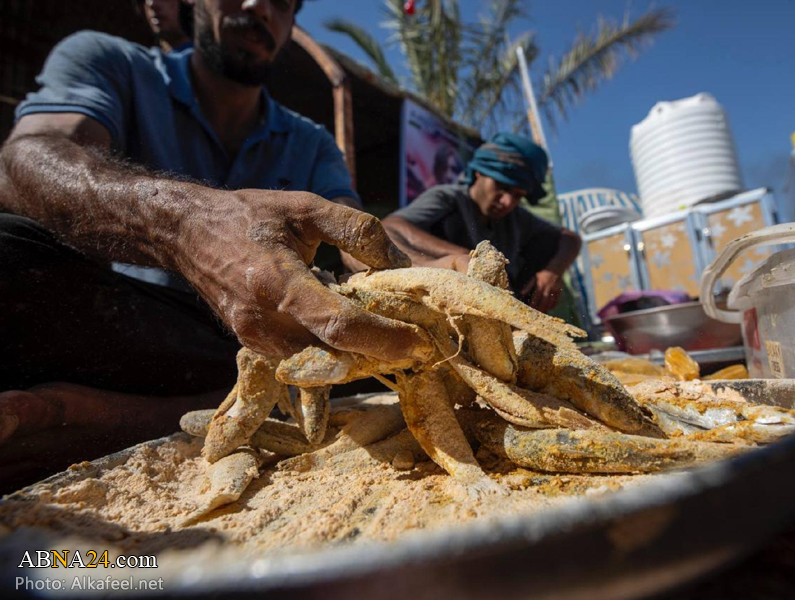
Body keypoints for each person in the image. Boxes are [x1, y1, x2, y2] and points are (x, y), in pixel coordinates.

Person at [0, 0, 428, 489]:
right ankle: (202, 411)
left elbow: (358, 235)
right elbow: (24, 162)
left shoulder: (311, 141)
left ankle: (103, 417)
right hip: (144, 329)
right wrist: (184, 226)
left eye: (282, 3)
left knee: (393, 352)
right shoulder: (111, 62)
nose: (258, 6)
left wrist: (430, 276)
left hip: (260, 337)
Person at [380, 133, 582, 314]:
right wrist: (464, 257)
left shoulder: (517, 217)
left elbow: (570, 239)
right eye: (501, 187)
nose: (507, 202)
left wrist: (552, 272)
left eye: (517, 196)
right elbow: (393, 225)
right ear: (479, 173)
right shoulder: (447, 197)